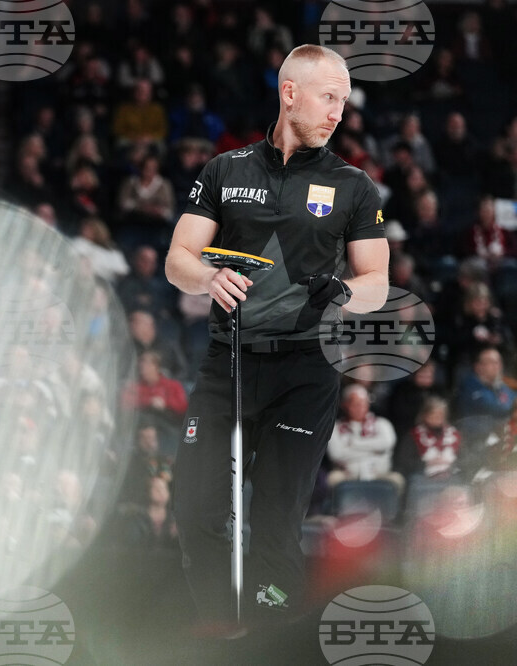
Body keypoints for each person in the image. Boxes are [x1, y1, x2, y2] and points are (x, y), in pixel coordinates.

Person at [165, 44, 389, 633]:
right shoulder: (224, 170)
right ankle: (220, 623)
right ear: (290, 93)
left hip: (306, 369)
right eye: (329, 96)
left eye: (344, 100)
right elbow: (176, 261)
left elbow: (378, 283)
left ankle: (269, 632)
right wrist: (209, 276)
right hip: (228, 364)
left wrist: (341, 291)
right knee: (192, 504)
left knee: (275, 514)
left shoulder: (355, 186)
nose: (339, 111)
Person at [327, 384, 405, 494]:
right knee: (333, 478)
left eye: (363, 403)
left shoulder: (382, 424)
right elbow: (337, 454)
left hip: (379, 474)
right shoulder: (335, 427)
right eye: (355, 404)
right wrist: (375, 451)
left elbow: (387, 443)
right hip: (348, 475)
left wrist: (353, 444)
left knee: (397, 479)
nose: (360, 408)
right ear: (345, 405)